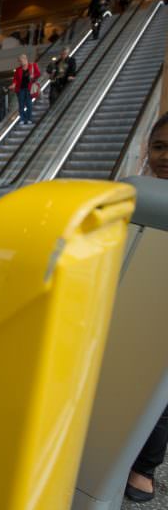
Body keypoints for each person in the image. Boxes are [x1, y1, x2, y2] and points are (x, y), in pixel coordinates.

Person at [124, 112, 168, 503]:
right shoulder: (134, 194)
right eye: (159, 146)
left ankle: (144, 469)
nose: (165, 155)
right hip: (137, 299)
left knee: (160, 396)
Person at [9, 54, 40, 125]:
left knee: (29, 104)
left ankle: (29, 119)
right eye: (19, 61)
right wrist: (13, 84)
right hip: (20, 89)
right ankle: (22, 119)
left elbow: (38, 74)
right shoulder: (18, 69)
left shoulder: (32, 65)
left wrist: (33, 75)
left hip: (29, 88)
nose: (20, 63)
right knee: (21, 105)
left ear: (25, 59)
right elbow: (15, 79)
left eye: (21, 61)